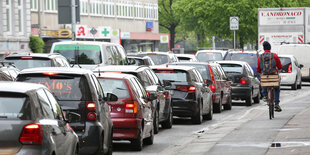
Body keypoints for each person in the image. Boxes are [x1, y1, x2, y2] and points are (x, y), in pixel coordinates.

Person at [257, 41, 283, 112]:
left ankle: (265, 95)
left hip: (265, 75)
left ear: (263, 48)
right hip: (274, 74)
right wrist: (279, 68)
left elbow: (258, 68)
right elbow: (279, 66)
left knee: (263, 80)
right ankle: (277, 103)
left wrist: (260, 72)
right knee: (277, 88)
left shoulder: (260, 57)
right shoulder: (274, 56)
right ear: (270, 48)